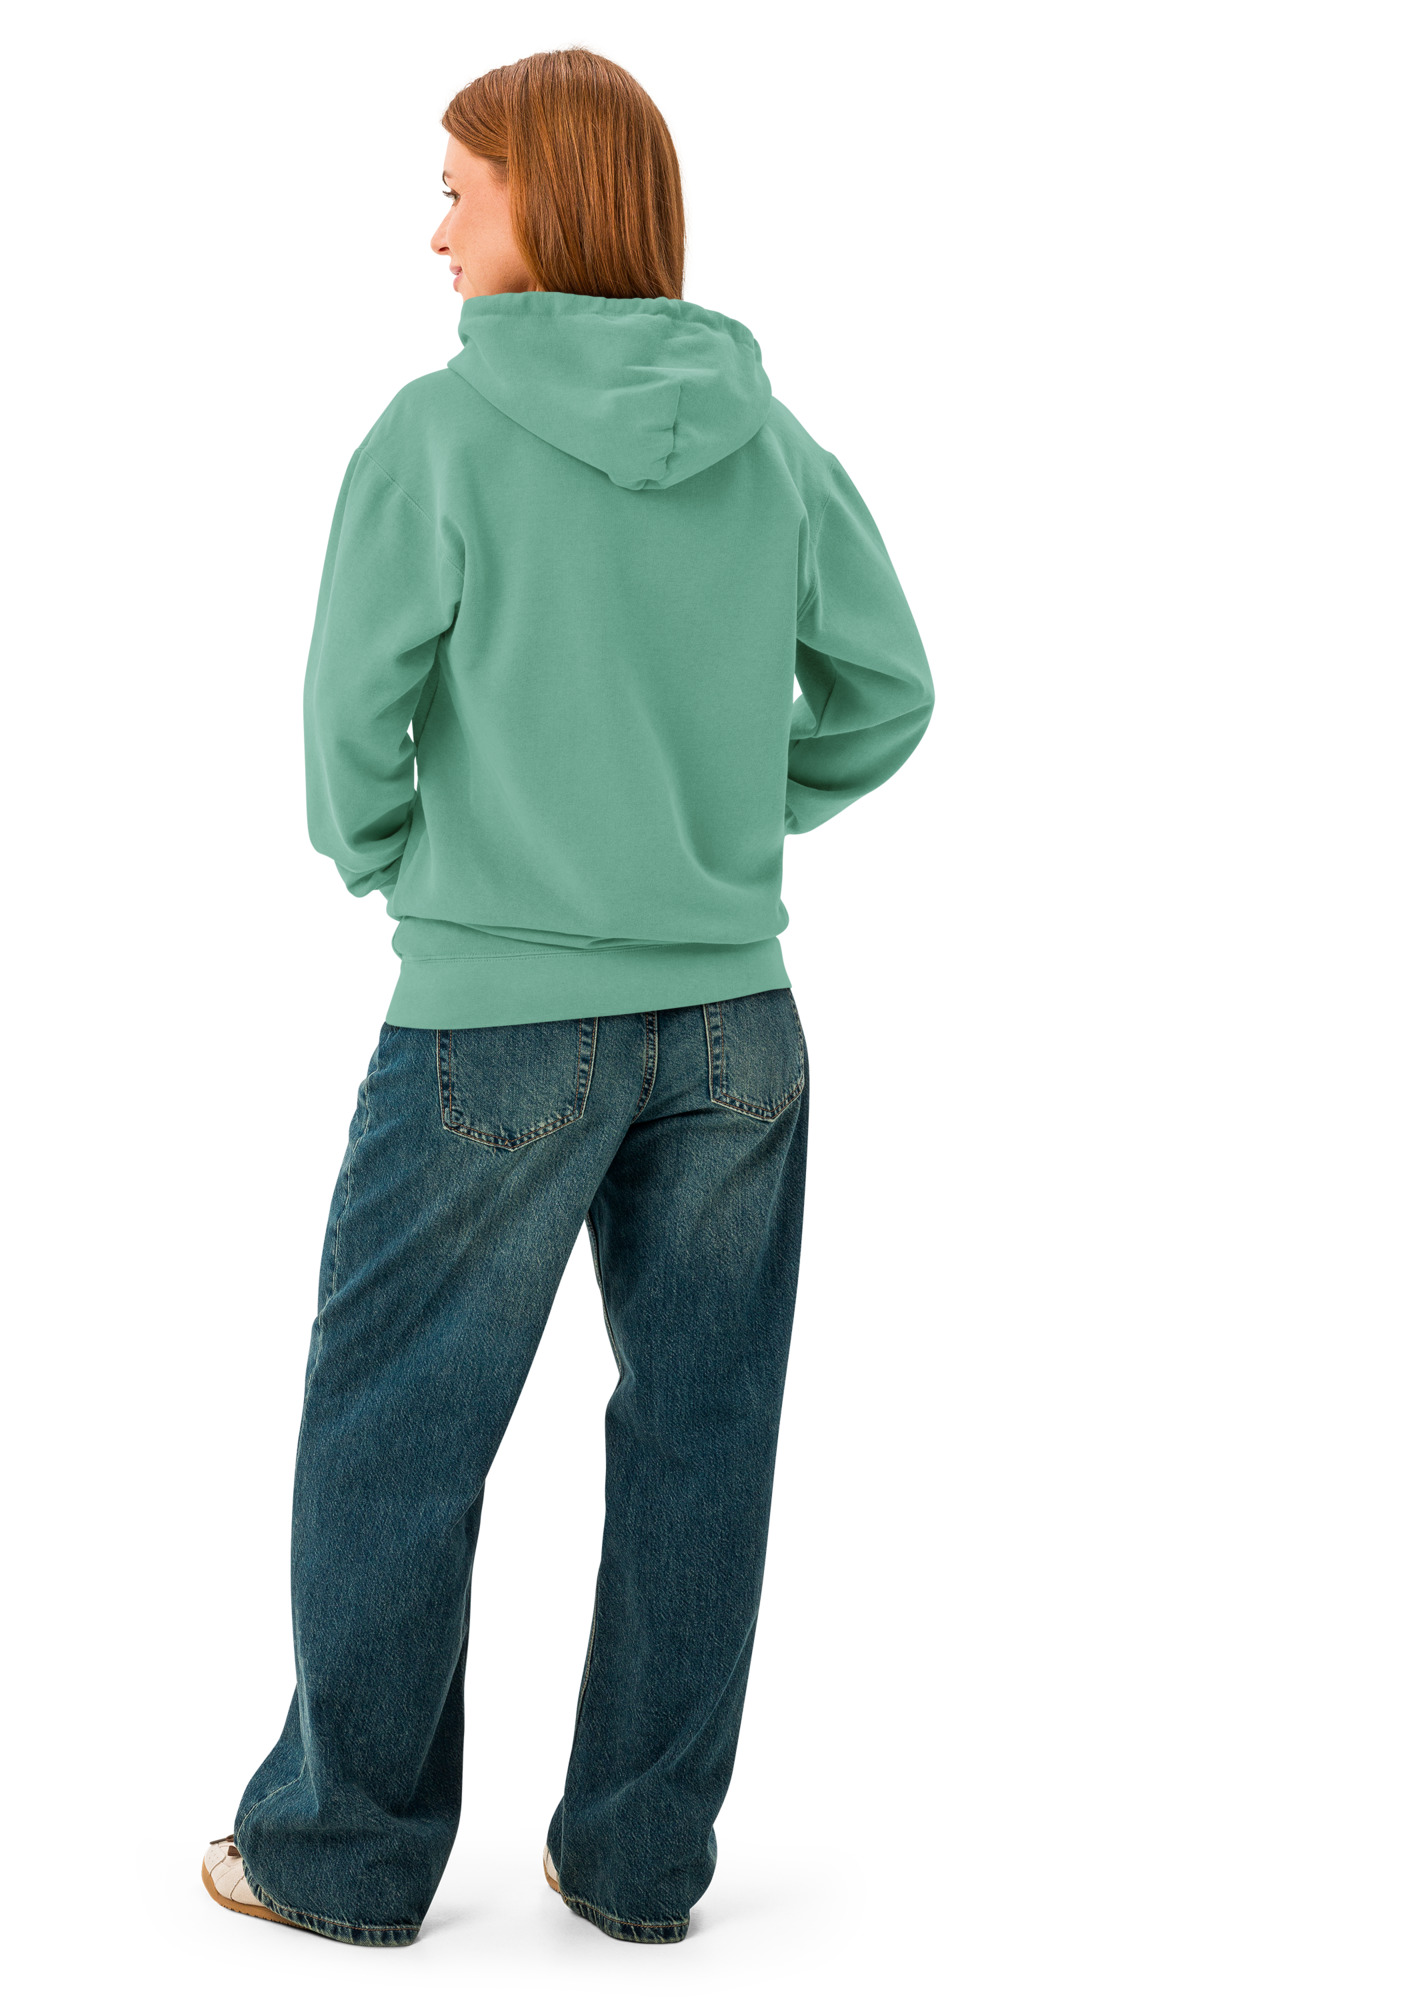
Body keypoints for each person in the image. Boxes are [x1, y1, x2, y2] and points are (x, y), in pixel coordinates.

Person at [201, 46, 934, 1948]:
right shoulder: (770, 439)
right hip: (738, 1030)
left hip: (493, 1021)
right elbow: (889, 689)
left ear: (551, 197)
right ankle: (637, 1863)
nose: (434, 229)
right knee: (703, 1434)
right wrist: (722, 827)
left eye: (459, 189)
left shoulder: (439, 435)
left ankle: (343, 1853)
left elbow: (346, 736)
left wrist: (412, 866)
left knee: (395, 1430)